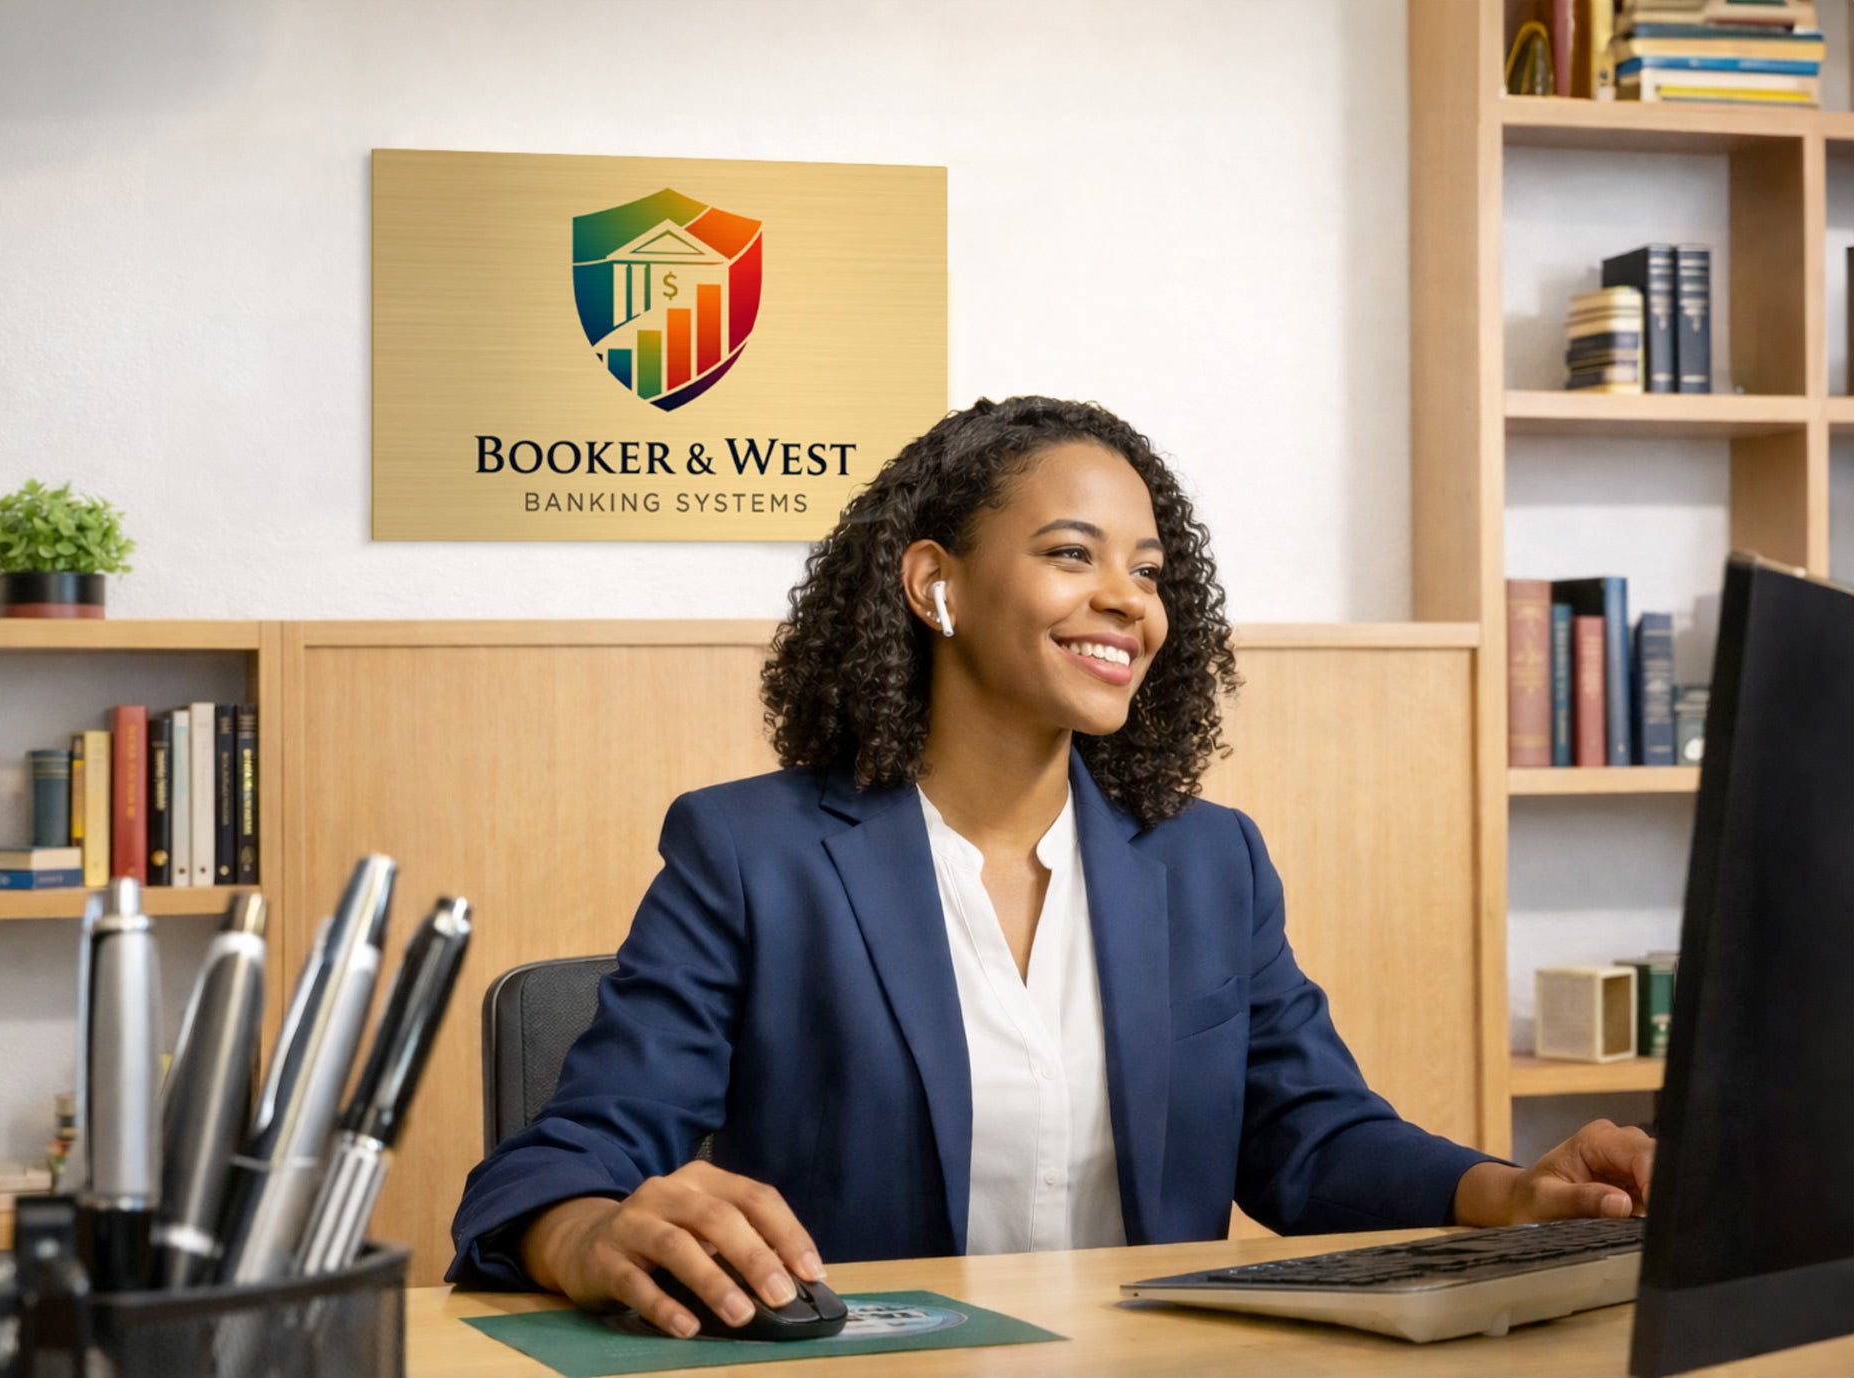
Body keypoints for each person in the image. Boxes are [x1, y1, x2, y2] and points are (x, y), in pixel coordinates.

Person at [447, 396, 1655, 1338]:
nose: (1124, 600)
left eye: (1148, 571)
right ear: (936, 585)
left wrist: (1509, 1194)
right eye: (1073, 554)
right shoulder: (750, 854)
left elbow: (1309, 1140)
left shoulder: (1205, 861)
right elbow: (567, 1160)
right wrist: (585, 1232)